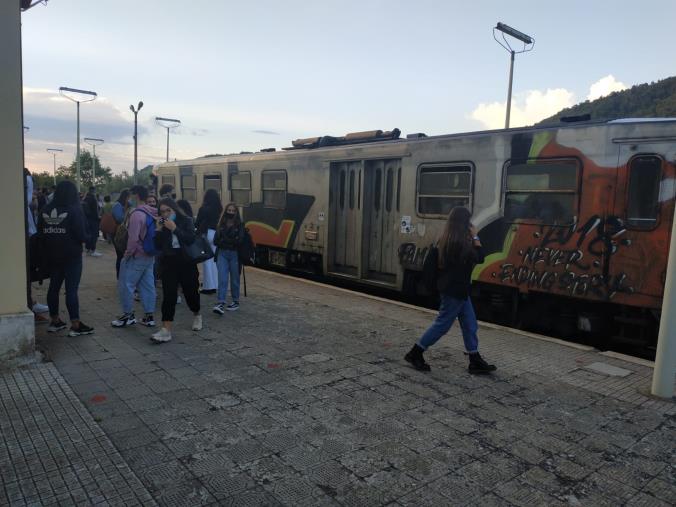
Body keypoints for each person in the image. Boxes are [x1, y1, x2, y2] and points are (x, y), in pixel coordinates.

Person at [404, 206, 496, 374]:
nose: (470, 224)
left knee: (470, 324)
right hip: (454, 291)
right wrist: (475, 235)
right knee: (442, 324)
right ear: (463, 223)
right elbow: (480, 256)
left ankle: (474, 359)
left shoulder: (447, 238)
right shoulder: (458, 243)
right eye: (468, 221)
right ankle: (415, 352)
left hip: (459, 290)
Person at [38, 180, 94, 336]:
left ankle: (55, 321)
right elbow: (82, 235)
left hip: (52, 256)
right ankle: (75, 325)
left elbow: (40, 234)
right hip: (72, 257)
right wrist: (90, 238)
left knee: (53, 288)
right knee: (71, 290)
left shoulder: (45, 209)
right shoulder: (74, 210)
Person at [151, 198, 202, 343]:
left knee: (190, 293)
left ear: (174, 209)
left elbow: (190, 239)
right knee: (169, 296)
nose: (166, 214)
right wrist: (158, 230)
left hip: (186, 261)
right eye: (162, 211)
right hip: (169, 262)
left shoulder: (186, 220)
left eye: (168, 210)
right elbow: (158, 246)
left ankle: (197, 314)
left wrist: (175, 229)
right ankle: (166, 330)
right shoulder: (162, 223)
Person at [111, 185, 157, 328]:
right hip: (150, 255)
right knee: (148, 285)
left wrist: (128, 254)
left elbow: (133, 239)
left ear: (136, 196)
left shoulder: (137, 214)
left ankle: (127, 315)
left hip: (137, 255)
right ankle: (149, 317)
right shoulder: (154, 212)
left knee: (126, 285)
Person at [213, 202, 243, 314]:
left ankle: (235, 301)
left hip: (235, 254)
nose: (230, 212)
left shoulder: (240, 225)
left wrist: (224, 241)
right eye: (229, 210)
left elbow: (239, 241)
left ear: (236, 212)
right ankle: (221, 302)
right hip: (222, 253)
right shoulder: (221, 224)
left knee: (235, 278)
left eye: (233, 211)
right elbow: (216, 241)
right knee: (222, 278)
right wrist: (230, 242)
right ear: (225, 211)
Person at [195, 189, 222, 294]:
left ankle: (208, 287)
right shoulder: (220, 208)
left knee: (207, 261)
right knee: (215, 260)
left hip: (207, 234)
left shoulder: (204, 208)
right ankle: (216, 285)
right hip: (217, 234)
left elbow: (197, 223)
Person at [112, 189, 130, 278]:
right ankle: (120, 277)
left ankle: (123, 276)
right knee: (120, 256)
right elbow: (119, 219)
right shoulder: (117, 205)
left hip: (125, 234)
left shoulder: (127, 205)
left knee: (123, 256)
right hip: (118, 234)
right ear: (126, 197)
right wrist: (127, 212)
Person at [83, 186, 102, 257]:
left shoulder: (85, 198)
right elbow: (95, 211)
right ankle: (93, 250)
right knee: (94, 235)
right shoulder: (93, 199)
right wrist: (99, 218)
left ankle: (88, 250)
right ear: (93, 190)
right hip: (93, 220)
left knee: (88, 234)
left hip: (86, 220)